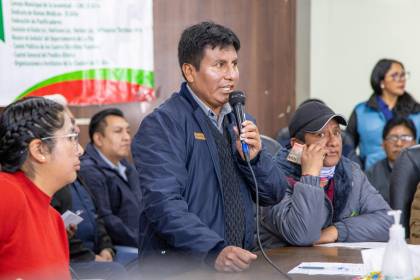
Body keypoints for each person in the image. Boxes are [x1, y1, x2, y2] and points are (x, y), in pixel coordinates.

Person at [131, 21, 286, 273]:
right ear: (190, 72)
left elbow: (274, 194)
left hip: (236, 263)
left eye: (234, 64)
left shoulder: (241, 121)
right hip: (183, 268)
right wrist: (212, 250)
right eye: (219, 65)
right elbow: (163, 203)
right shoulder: (163, 124)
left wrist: (256, 159)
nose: (231, 75)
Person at [242, 101, 392, 248]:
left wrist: (336, 231)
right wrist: (310, 175)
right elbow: (303, 235)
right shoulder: (275, 176)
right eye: (320, 135)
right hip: (282, 267)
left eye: (336, 132)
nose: (333, 142)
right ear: (297, 145)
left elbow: (389, 222)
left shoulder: (350, 172)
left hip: (335, 265)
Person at [0, 97, 82, 279]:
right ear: (39, 150)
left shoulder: (55, 219)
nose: (81, 150)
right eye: (71, 138)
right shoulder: (6, 192)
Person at [79, 108, 141, 247]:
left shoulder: (125, 165)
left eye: (128, 131)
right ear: (99, 139)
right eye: (118, 131)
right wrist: (144, 242)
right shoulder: (89, 171)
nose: (127, 137)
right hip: (120, 248)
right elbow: (106, 220)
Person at [346, 58, 420, 170]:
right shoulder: (361, 111)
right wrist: (358, 169)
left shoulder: (416, 111)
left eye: (403, 75)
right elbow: (347, 146)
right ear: (381, 82)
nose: (402, 80)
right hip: (370, 177)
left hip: (410, 175)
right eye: (395, 75)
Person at [366, 117, 417, 204]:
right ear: (383, 144)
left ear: (415, 143)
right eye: (393, 138)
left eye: (405, 138)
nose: (399, 144)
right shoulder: (371, 174)